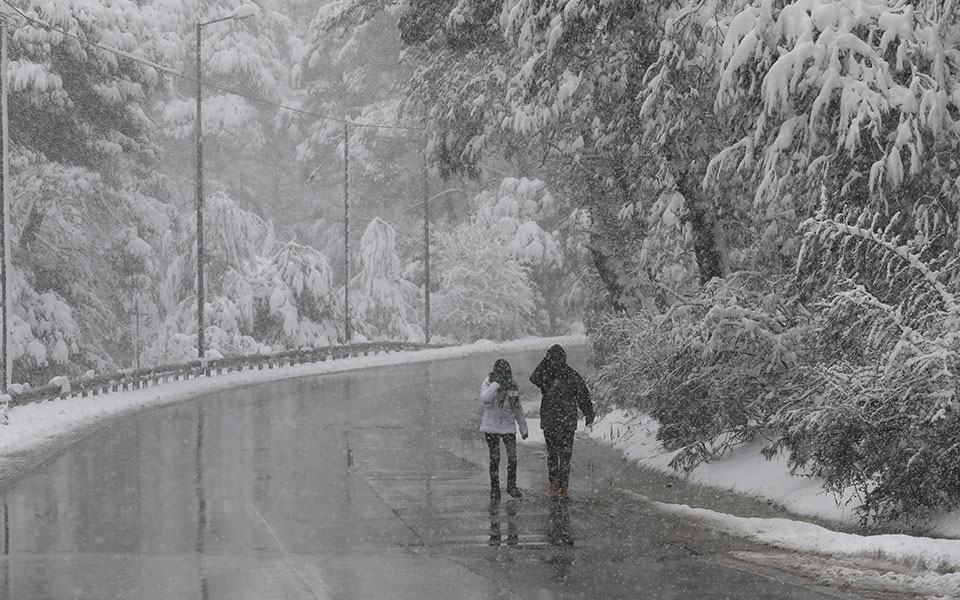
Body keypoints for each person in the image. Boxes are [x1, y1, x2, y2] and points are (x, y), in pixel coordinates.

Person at [529, 344, 594, 501]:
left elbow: (583, 396)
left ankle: (563, 487)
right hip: (552, 421)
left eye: (558, 359)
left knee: (564, 456)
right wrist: (545, 361)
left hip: (565, 422)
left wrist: (589, 413)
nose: (556, 362)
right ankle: (554, 484)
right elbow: (533, 377)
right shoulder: (546, 374)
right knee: (553, 455)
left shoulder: (570, 375)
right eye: (553, 359)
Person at [480, 359, 529, 502]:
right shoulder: (489, 382)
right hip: (491, 426)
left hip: (508, 426)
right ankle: (495, 489)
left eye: (506, 372)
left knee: (512, 458)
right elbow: (485, 399)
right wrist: (496, 384)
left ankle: (511, 486)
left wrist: (523, 428)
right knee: (495, 459)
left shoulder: (512, 386)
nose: (504, 374)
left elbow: (517, 408)